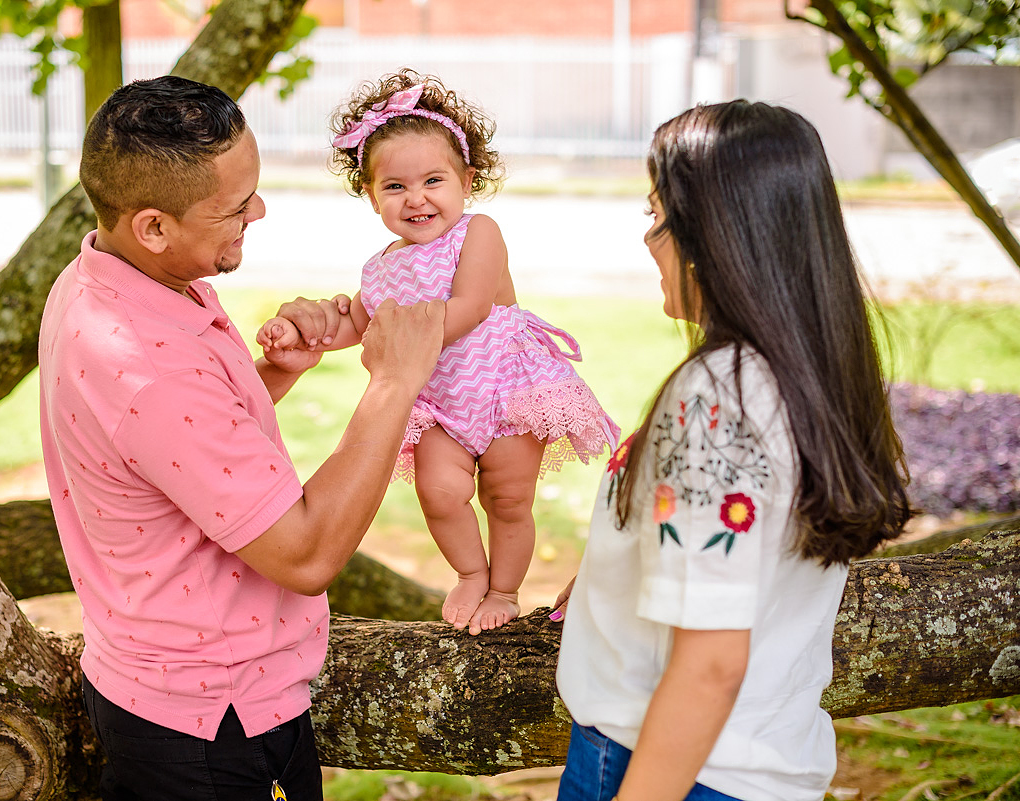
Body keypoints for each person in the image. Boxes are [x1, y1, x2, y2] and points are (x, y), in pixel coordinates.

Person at [38, 75, 444, 801]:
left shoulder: (109, 277)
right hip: (212, 725)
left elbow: (175, 449)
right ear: (154, 225)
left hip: (170, 687)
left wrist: (270, 375)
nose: (259, 209)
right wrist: (392, 385)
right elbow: (306, 552)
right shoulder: (145, 364)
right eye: (235, 206)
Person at [551, 100, 912, 801]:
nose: (649, 239)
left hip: (666, 768)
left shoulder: (714, 398)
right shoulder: (807, 370)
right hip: (765, 762)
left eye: (658, 215)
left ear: (716, 236)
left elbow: (711, 663)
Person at [258, 69, 620, 636]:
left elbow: (471, 306)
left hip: (506, 390)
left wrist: (394, 342)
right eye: (395, 187)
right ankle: (472, 573)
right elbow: (360, 319)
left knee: (507, 497)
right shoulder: (381, 267)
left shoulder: (479, 232)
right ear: (371, 194)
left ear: (466, 180)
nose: (416, 198)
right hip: (440, 403)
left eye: (433, 180)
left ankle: (505, 588)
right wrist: (311, 331)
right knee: (441, 492)